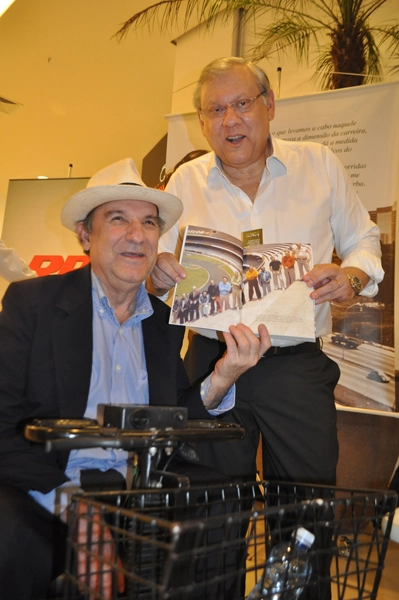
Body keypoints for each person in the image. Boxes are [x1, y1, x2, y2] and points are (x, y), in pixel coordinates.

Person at [0, 157, 271, 600]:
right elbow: (2, 421)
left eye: (148, 223)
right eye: (118, 219)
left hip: (139, 482)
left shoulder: (163, 322)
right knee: (9, 535)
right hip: (48, 481)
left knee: (219, 498)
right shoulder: (34, 304)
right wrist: (74, 506)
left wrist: (224, 374)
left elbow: (168, 416)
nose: (136, 234)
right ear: (85, 235)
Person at [147, 56, 383, 496]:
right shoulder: (184, 182)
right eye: (215, 110)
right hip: (209, 364)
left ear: (269, 104)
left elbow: (365, 239)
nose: (230, 120)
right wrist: (158, 277)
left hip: (294, 367)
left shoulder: (319, 165)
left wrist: (351, 276)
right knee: (209, 507)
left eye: (242, 103)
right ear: (201, 121)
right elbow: (154, 273)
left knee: (305, 507)